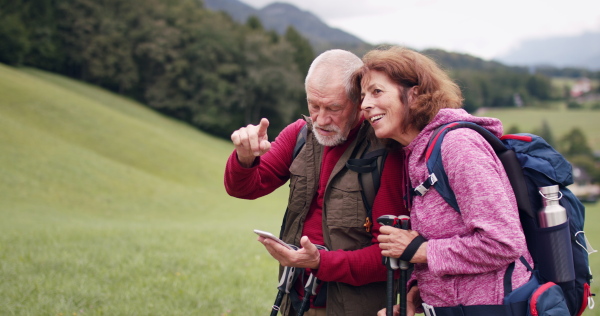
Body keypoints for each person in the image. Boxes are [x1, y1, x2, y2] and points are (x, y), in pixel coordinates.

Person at [352, 46, 534, 316]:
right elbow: (445, 237)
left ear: (413, 95)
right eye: (363, 95)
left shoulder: (458, 146)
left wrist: (420, 250)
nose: (365, 104)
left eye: (377, 91)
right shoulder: (416, 154)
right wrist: (415, 294)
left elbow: (504, 242)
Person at [224, 49, 408, 316]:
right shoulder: (298, 135)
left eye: (333, 108)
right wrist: (243, 156)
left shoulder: (385, 151)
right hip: (295, 299)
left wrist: (321, 262)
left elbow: (389, 255)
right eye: (314, 105)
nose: (321, 120)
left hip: (356, 307)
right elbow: (244, 188)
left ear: (360, 101)